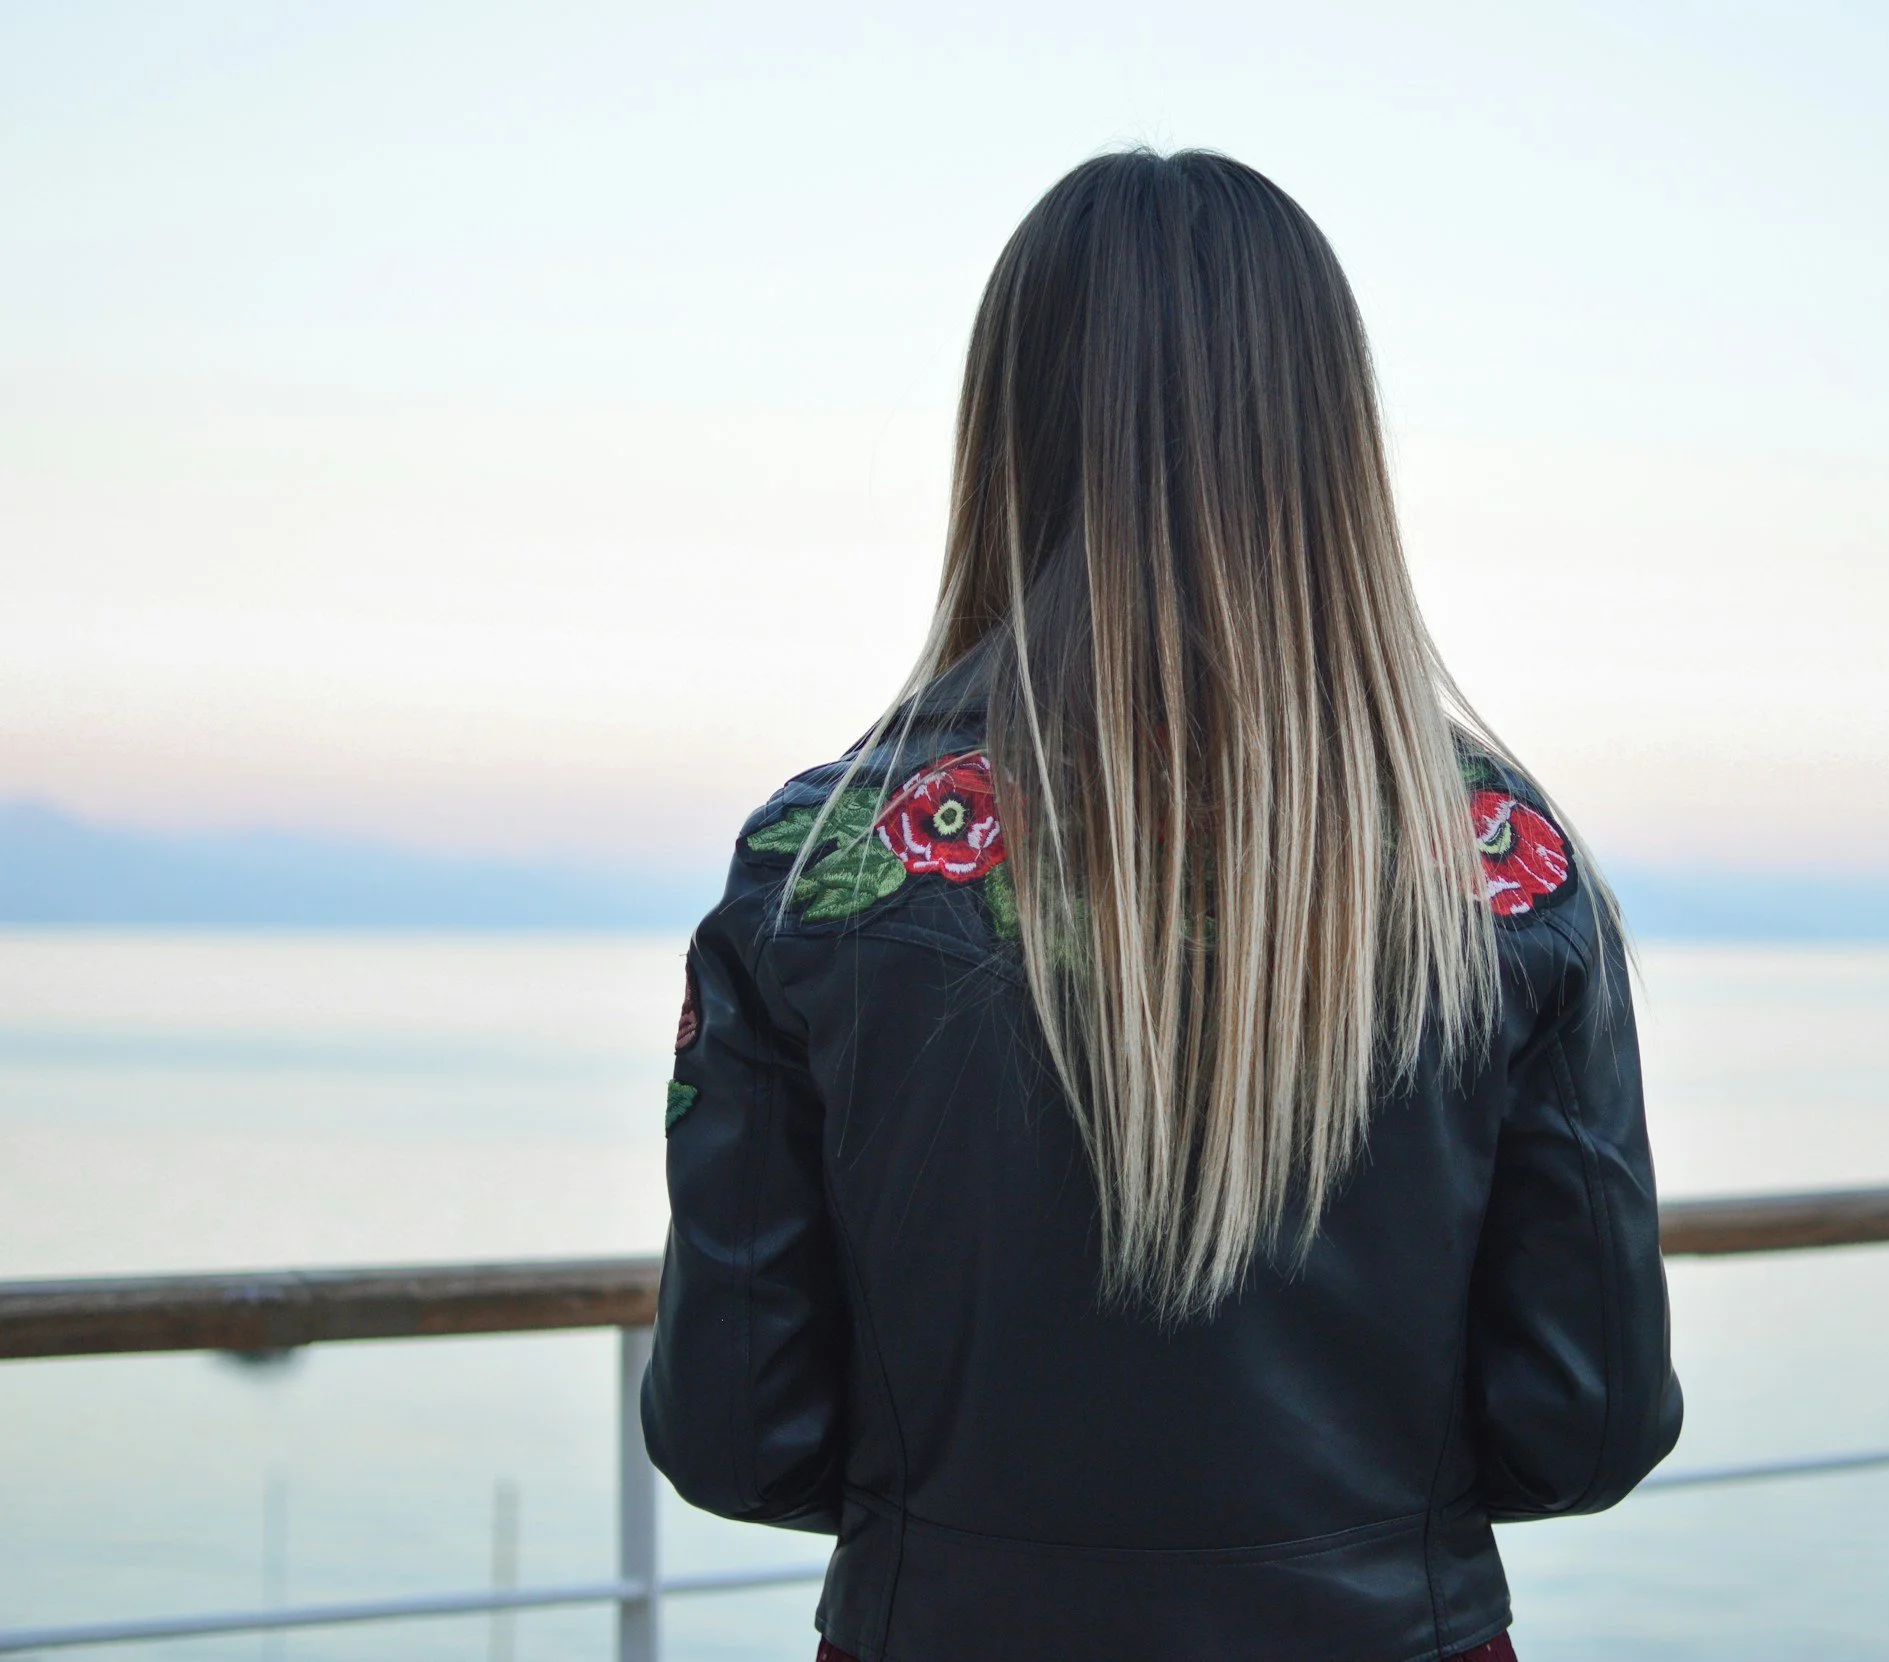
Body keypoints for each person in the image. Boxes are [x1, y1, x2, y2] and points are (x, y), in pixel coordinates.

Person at [642, 148, 1680, 1662]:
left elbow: (737, 1438)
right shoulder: (1501, 871)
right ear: (1332, 442)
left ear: (1007, 425)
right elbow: (1586, 1429)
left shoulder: (825, 866)